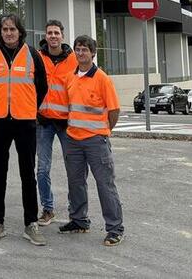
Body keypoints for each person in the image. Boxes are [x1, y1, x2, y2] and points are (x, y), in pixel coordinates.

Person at [0, 14, 48, 245]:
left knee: (28, 175)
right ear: (0, 32)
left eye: (12, 29)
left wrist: (29, 106)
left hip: (25, 122)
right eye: (5, 29)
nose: (8, 32)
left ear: (20, 31)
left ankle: (31, 223)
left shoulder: (32, 54)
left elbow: (42, 86)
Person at [59, 34, 124, 246]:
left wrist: (103, 131)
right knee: (75, 183)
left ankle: (115, 228)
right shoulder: (71, 77)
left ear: (93, 53)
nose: (80, 53)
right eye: (77, 49)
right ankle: (79, 220)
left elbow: (113, 111)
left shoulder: (102, 79)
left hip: (96, 141)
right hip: (73, 140)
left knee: (105, 185)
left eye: (85, 49)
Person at [36, 20, 78, 225]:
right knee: (42, 169)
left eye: (56, 33)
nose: (53, 36)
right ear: (45, 36)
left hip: (66, 123)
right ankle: (47, 208)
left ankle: (76, 210)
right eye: (49, 32)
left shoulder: (73, 60)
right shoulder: (37, 57)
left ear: (62, 35)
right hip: (43, 122)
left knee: (74, 168)